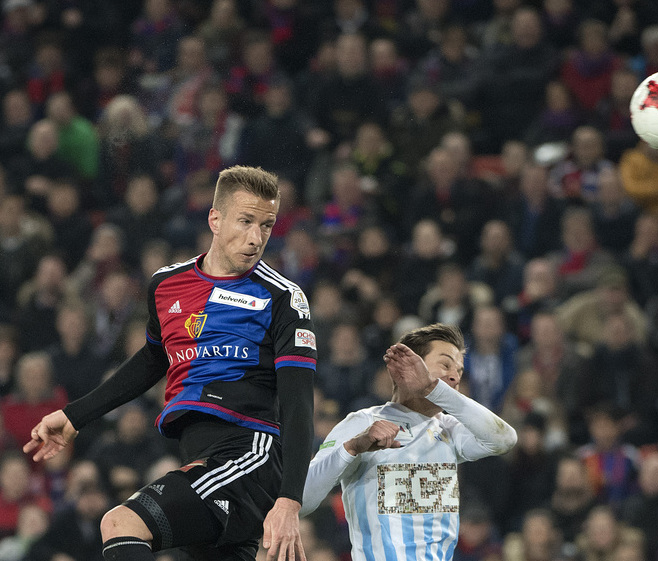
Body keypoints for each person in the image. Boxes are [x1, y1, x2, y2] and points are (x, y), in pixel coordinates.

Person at [22, 166, 317, 561]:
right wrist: (75, 416)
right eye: (245, 221)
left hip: (248, 454)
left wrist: (289, 502)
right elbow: (151, 359)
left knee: (121, 523)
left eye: (266, 225)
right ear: (215, 218)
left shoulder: (283, 298)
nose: (255, 238)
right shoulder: (166, 285)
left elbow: (299, 405)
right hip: (197, 455)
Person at [300, 323, 518, 561]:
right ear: (405, 366)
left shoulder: (449, 430)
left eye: (459, 370)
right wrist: (352, 448)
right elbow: (302, 500)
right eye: (445, 364)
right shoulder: (360, 424)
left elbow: (504, 439)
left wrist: (434, 388)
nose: (455, 377)